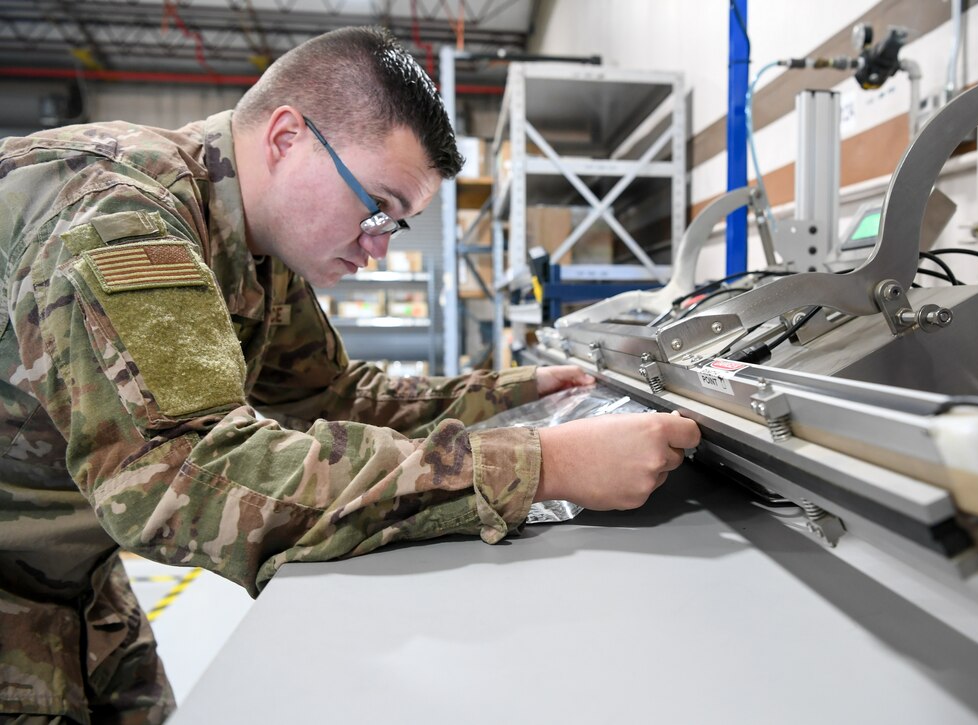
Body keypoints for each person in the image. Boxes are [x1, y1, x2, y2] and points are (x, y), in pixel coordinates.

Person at [0, 26, 701, 724]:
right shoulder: (122, 214)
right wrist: (540, 465)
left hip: (72, 578)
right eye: (376, 207)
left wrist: (524, 390)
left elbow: (335, 396)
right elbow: (186, 476)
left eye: (394, 224)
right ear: (285, 139)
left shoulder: (256, 243)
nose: (377, 246)